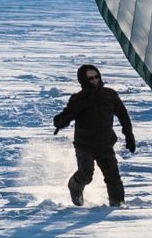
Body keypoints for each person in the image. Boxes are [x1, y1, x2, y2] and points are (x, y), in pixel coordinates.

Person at [52, 64, 135, 206]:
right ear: (83, 81)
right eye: (90, 78)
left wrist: (129, 135)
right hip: (85, 145)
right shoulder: (79, 99)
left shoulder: (110, 95)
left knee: (113, 177)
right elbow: (68, 115)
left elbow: (123, 114)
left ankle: (117, 206)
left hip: (105, 144)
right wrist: (60, 121)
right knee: (86, 175)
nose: (95, 80)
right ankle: (74, 186)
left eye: (96, 77)